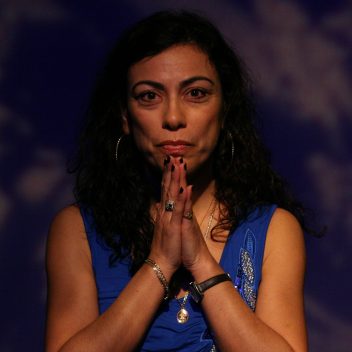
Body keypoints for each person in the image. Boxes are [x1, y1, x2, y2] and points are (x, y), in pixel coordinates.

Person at [45, 10, 308, 351]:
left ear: (224, 110)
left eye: (195, 93)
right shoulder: (77, 230)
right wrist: (161, 263)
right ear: (125, 117)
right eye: (149, 96)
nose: (172, 117)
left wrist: (200, 261)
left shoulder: (273, 229)